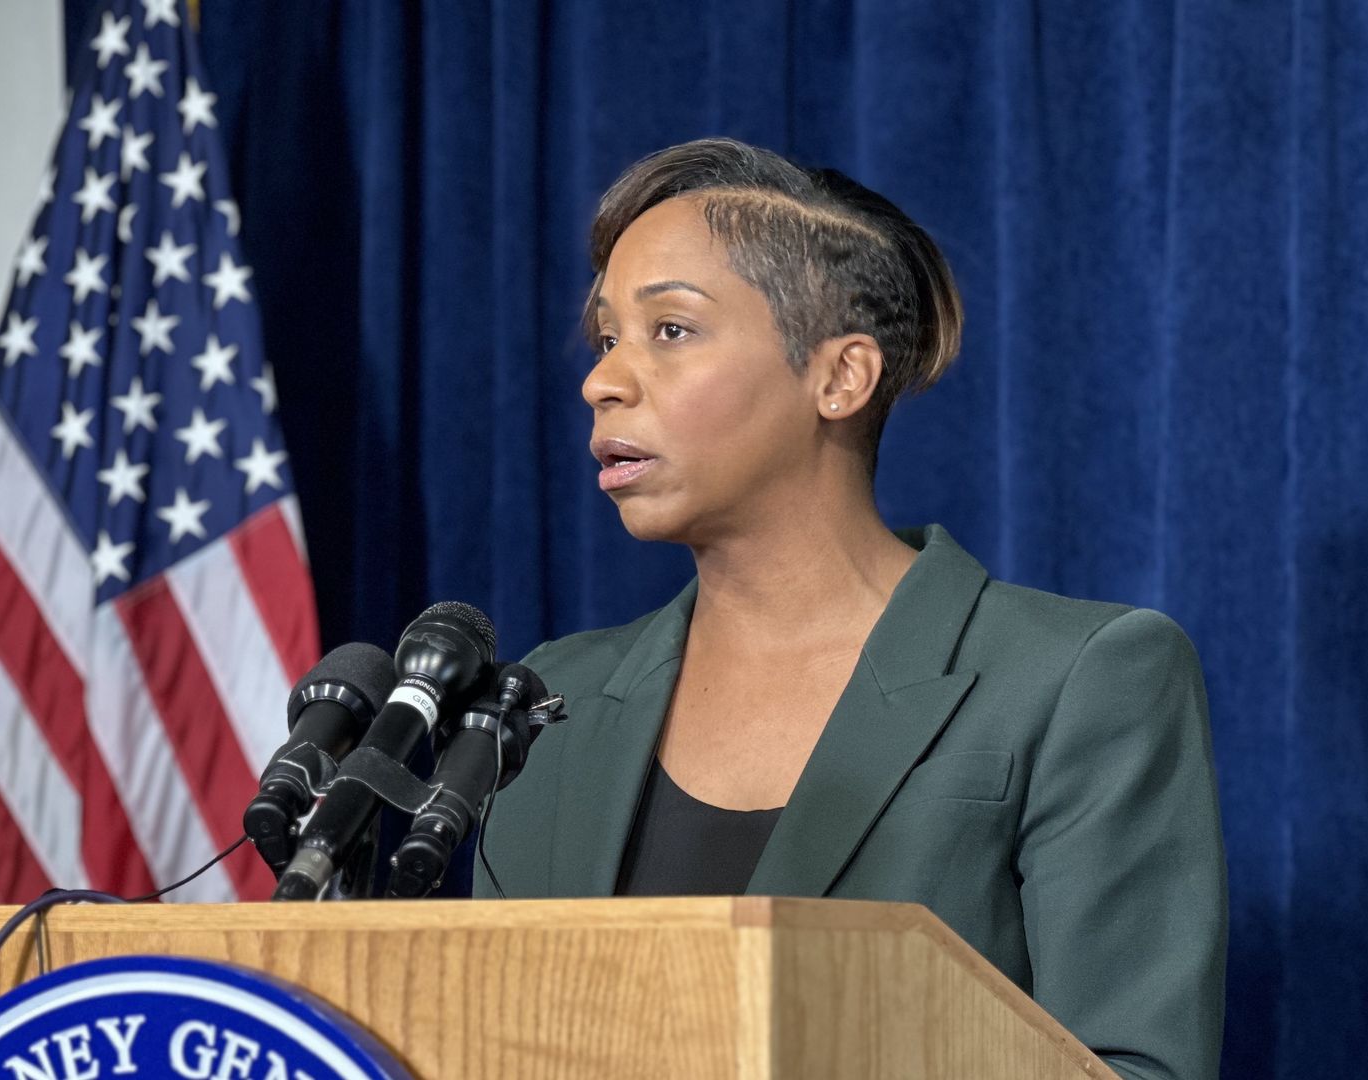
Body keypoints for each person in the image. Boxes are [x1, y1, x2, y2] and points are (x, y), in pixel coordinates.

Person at [476, 138, 1227, 1080]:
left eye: (670, 331)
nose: (603, 381)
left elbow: (1131, 1066)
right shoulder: (553, 700)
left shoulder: (1078, 678)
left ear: (841, 377)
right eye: (607, 338)